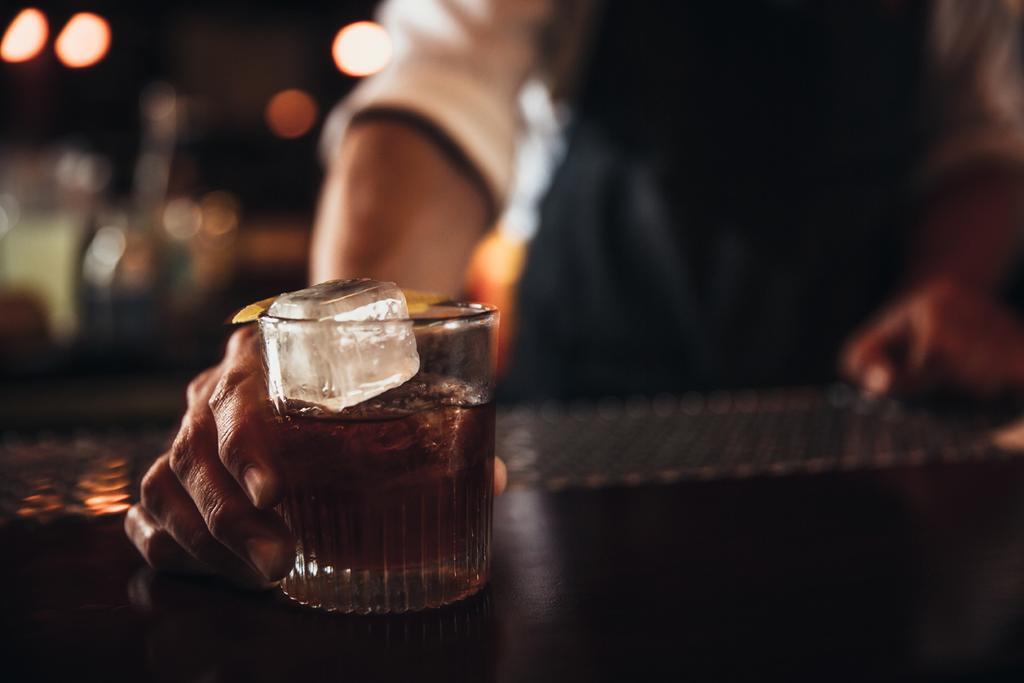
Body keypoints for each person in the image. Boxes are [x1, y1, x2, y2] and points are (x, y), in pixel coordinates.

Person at [127, 0, 1024, 585]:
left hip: (858, 438)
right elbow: (439, 96)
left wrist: (944, 291)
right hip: (592, 432)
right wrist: (328, 351)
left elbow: (983, 134)